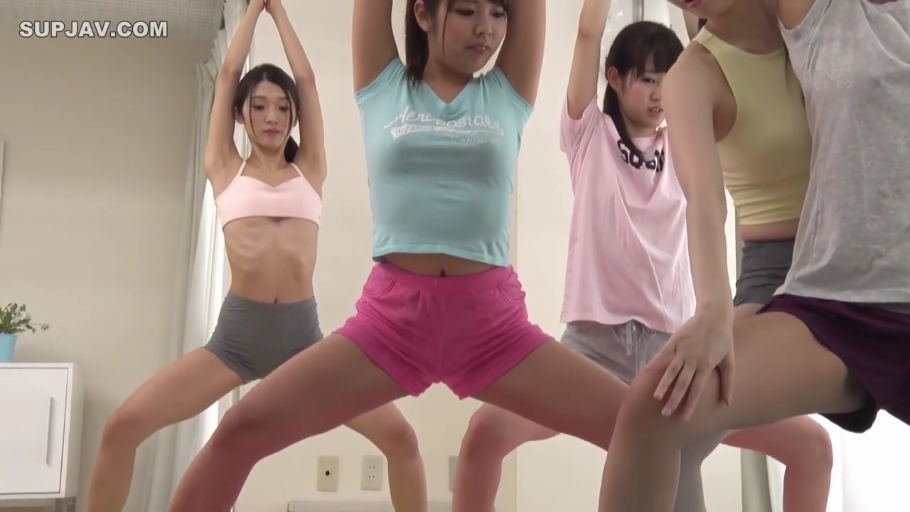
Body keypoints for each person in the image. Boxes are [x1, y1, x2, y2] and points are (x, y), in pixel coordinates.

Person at [165, 0, 653, 509]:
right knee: (241, 427)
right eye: (465, 11)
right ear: (422, 13)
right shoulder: (383, 86)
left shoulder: (506, 93)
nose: (486, 28)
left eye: (497, 13)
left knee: (645, 430)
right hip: (392, 324)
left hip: (492, 327)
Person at [453, 3, 830, 510]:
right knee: (485, 432)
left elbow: (712, 46)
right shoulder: (590, 135)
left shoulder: (686, 142)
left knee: (811, 445)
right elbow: (588, 34)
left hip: (673, 352)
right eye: (648, 80)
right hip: (593, 350)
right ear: (614, 78)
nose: (660, 94)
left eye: (667, 80)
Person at [84, 1, 428, 511]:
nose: (273, 117)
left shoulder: (309, 167)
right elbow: (228, 73)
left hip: (303, 342)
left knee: (401, 439)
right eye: (260, 106)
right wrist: (252, 10)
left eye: (283, 109)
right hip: (235, 342)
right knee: (121, 427)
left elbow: (306, 80)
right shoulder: (225, 168)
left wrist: (279, 12)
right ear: (240, 114)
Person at [598, 0, 910, 510]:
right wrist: (712, 308)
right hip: (792, 280)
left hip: (865, 251)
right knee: (664, 408)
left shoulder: (805, 21)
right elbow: (704, 201)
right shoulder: (694, 75)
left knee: (804, 447)